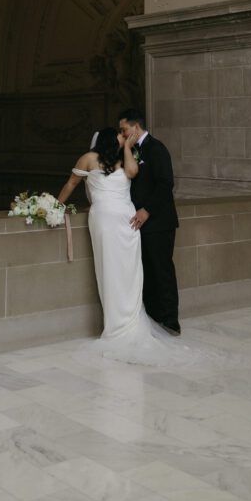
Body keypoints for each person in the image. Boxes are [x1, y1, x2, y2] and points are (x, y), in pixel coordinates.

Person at [57, 127, 182, 365]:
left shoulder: (93, 158)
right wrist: (126, 149)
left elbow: (72, 183)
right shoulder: (116, 158)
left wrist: (56, 204)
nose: (124, 140)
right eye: (121, 138)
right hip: (121, 219)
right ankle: (123, 323)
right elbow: (131, 172)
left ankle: (120, 326)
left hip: (114, 220)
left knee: (117, 272)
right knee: (123, 272)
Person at [118, 107, 180, 335]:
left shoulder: (156, 148)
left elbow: (165, 184)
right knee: (147, 273)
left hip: (160, 222)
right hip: (141, 225)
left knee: (162, 270)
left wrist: (146, 211)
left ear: (136, 127)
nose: (123, 134)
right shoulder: (131, 150)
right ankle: (154, 318)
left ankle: (171, 321)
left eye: (124, 130)